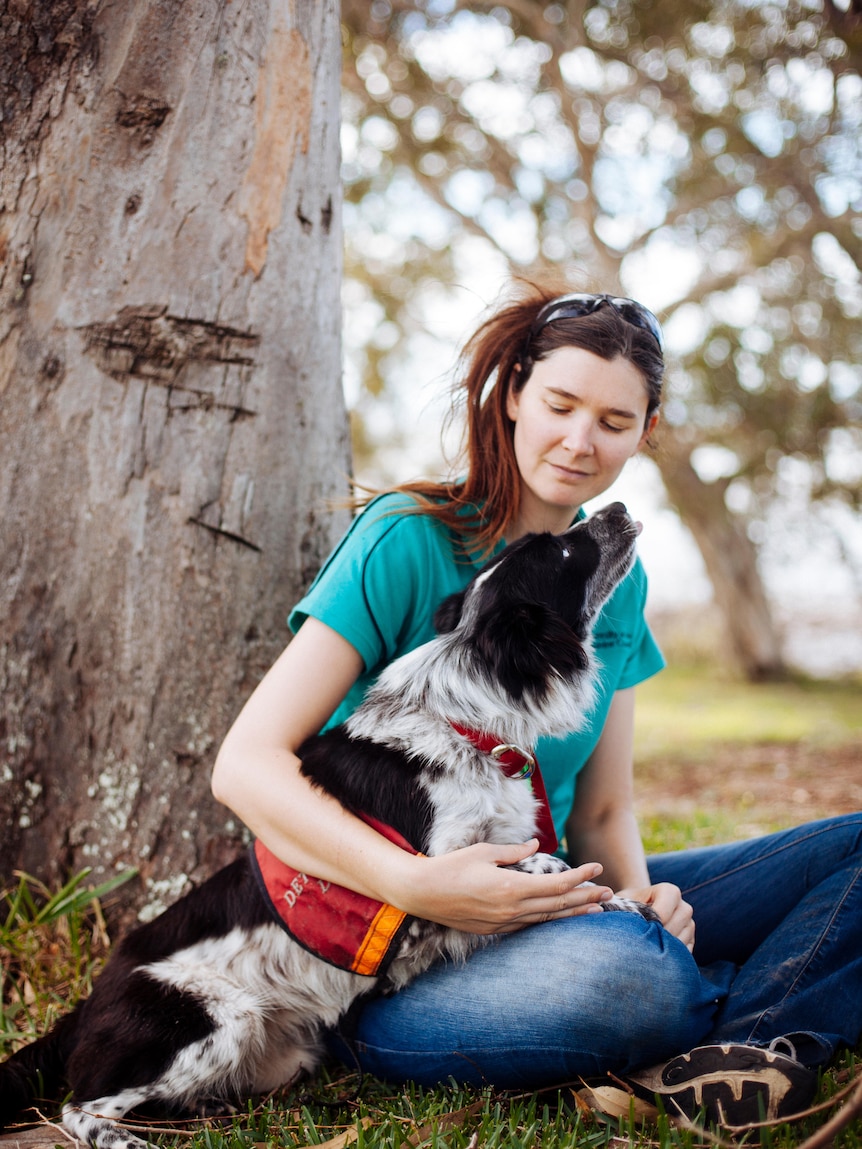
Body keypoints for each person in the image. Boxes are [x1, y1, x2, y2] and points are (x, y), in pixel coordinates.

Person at [212, 284, 862, 1126]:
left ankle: (749, 1045)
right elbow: (247, 765)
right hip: (381, 956)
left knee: (847, 851)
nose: (579, 441)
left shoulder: (613, 586)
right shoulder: (408, 535)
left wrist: (643, 896)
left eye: (614, 422)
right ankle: (758, 990)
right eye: (560, 404)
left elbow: (601, 807)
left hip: (552, 898)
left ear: (646, 432)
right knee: (636, 975)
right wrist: (418, 883)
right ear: (516, 391)